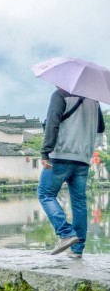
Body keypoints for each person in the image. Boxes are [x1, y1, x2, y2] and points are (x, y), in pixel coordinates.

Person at [39, 87, 104, 257]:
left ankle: (66, 233)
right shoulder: (94, 101)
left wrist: (45, 151)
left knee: (45, 194)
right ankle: (77, 249)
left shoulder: (60, 95)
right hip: (83, 158)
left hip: (61, 155)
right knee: (79, 202)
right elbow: (100, 127)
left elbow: (52, 124)